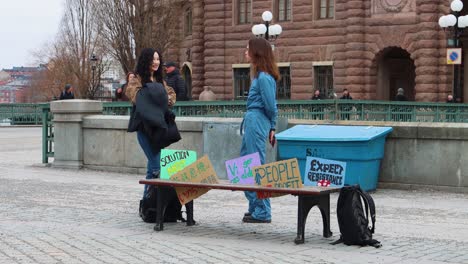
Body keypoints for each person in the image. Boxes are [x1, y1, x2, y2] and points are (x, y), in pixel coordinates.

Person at [125, 48, 177, 199]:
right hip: (144, 128)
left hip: (158, 128)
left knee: (151, 169)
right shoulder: (137, 79)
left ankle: (147, 204)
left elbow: (172, 95)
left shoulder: (161, 80)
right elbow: (135, 97)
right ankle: (157, 204)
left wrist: (165, 99)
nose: (156, 62)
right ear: (145, 61)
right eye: (153, 59)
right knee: (157, 167)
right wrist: (159, 96)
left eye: (158, 59)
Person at [240, 37, 279, 224]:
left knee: (255, 165)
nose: (245, 51)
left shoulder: (264, 77)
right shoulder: (259, 76)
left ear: (257, 52)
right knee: (245, 164)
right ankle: (255, 205)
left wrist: (272, 126)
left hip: (257, 120)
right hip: (252, 119)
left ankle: (263, 210)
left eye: (248, 49)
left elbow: (271, 105)